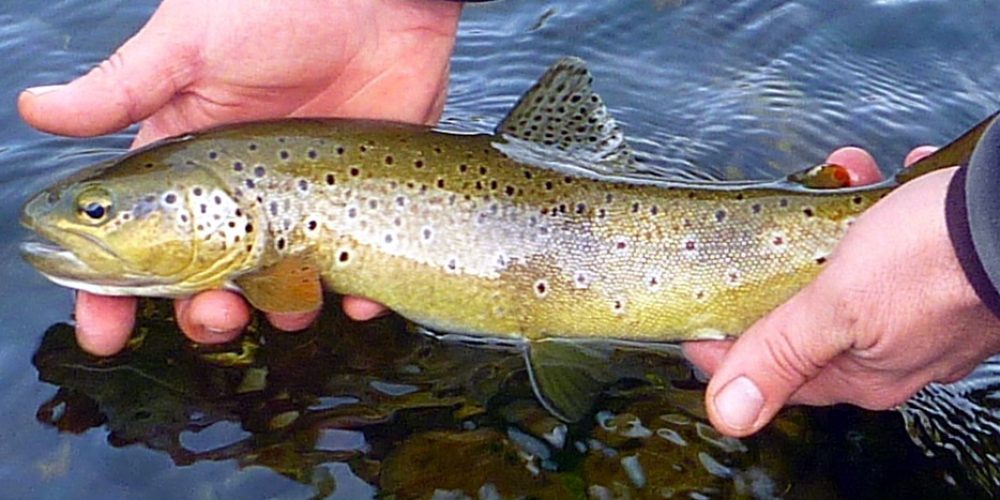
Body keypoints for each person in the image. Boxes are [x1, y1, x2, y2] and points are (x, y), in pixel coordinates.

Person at [19, 0, 1000, 439]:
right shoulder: (255, 221)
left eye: (101, 211)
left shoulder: (266, 245)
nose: (85, 222)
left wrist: (969, 242)